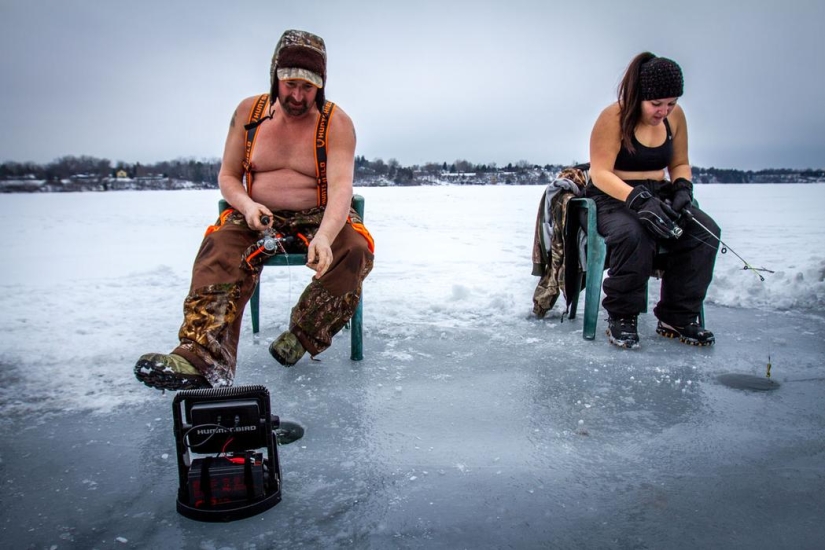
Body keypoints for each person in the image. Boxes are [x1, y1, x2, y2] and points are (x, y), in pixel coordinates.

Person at [134, 29, 374, 390]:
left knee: (355, 249)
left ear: (321, 86)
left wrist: (325, 236)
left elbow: (342, 188)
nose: (297, 95)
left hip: (317, 215)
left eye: (307, 88)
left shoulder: (336, 123)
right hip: (256, 214)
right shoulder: (249, 112)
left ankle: (303, 336)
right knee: (219, 247)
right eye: (290, 84)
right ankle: (200, 356)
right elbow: (228, 176)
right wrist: (246, 205)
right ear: (275, 76)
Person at [586, 52, 719, 349]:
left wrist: (683, 188)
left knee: (703, 232)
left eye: (670, 103)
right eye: (656, 104)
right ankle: (622, 315)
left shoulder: (676, 117)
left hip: (658, 191)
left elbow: (680, 163)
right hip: (613, 195)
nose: (664, 111)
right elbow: (599, 173)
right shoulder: (614, 117)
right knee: (633, 233)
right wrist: (636, 200)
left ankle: (678, 316)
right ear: (639, 95)